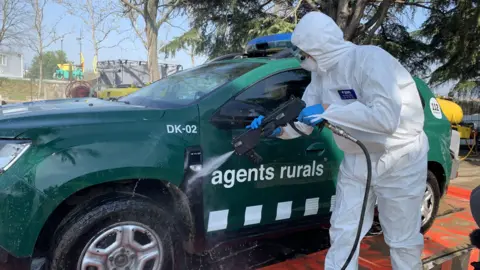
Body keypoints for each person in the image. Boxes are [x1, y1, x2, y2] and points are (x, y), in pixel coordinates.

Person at [247, 11, 429, 270]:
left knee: (401, 239)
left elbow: (386, 118)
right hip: (358, 159)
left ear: (319, 48)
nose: (302, 58)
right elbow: (304, 121)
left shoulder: (369, 60)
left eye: (304, 52)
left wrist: (327, 109)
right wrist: (278, 129)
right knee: (344, 231)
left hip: (400, 159)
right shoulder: (320, 75)